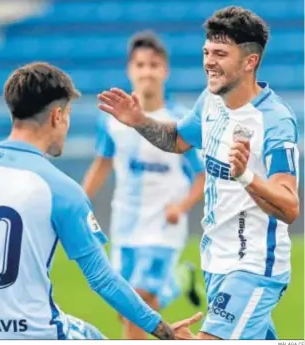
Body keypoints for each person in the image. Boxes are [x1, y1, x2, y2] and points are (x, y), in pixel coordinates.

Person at [0, 62, 203, 340]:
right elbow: (101, 278)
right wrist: (164, 331)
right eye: (68, 114)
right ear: (57, 116)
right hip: (31, 334)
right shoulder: (59, 189)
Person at [96, 6, 299, 340]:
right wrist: (139, 121)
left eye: (220, 54)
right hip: (215, 262)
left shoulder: (275, 121)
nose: (209, 61)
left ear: (250, 61)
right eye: (207, 52)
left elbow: (290, 206)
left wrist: (246, 176)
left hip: (253, 268)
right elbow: (177, 140)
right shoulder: (210, 101)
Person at [82, 31, 204, 340]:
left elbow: (203, 176)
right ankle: (179, 279)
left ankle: (169, 284)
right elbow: (103, 163)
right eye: (140, 65)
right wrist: (79, 202)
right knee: (124, 308)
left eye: (154, 64)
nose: (147, 71)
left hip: (162, 227)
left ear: (165, 70)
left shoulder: (180, 122)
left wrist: (182, 206)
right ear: (130, 70)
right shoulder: (112, 119)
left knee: (137, 300)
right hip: (125, 224)